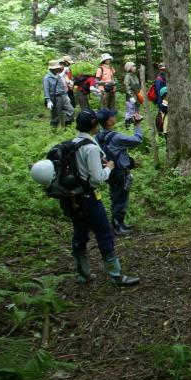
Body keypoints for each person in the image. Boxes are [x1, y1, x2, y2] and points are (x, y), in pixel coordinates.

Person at [67, 109, 139, 286]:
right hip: (89, 197)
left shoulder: (74, 142)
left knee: (80, 233)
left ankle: (83, 273)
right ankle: (116, 275)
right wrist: (110, 168)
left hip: (74, 198)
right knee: (105, 233)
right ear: (93, 125)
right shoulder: (90, 147)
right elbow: (97, 177)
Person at [95, 109, 143, 236]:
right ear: (109, 121)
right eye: (112, 116)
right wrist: (137, 124)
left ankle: (119, 223)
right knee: (121, 198)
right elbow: (137, 140)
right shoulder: (115, 137)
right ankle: (117, 227)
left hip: (109, 171)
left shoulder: (98, 136)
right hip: (119, 172)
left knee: (115, 196)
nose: (114, 117)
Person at [43, 60, 74, 129]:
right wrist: (48, 100)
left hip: (62, 96)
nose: (59, 69)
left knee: (71, 111)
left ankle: (64, 124)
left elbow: (61, 86)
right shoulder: (47, 78)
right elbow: (46, 90)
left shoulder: (58, 76)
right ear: (53, 69)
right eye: (57, 68)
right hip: (54, 97)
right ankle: (54, 130)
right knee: (55, 115)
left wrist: (66, 95)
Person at [123, 62, 141, 128]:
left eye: (134, 66)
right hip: (130, 98)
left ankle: (136, 126)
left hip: (137, 97)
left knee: (136, 112)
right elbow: (127, 87)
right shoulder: (127, 76)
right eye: (133, 66)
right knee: (130, 112)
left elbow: (138, 86)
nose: (135, 67)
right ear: (129, 68)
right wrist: (131, 96)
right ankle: (128, 127)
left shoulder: (135, 76)